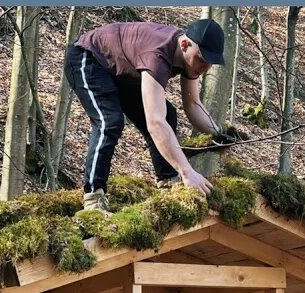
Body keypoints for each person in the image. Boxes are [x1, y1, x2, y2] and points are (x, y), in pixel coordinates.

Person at [64, 18, 226, 213]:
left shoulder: (188, 59)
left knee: (169, 115)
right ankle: (93, 197)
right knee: (109, 122)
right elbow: (154, 123)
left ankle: (167, 183)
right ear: (185, 44)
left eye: (210, 63)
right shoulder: (156, 55)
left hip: (122, 71)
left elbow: (193, 105)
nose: (204, 68)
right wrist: (187, 172)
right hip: (89, 58)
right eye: (202, 59)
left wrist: (219, 135)